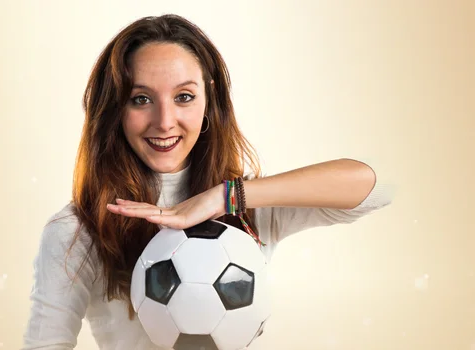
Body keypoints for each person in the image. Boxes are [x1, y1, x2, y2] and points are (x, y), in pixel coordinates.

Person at [21, 14, 394, 350]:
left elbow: (378, 188)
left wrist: (225, 197)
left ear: (209, 100)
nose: (165, 121)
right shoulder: (76, 230)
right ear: (114, 109)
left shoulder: (249, 212)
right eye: (141, 99)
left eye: (184, 96)